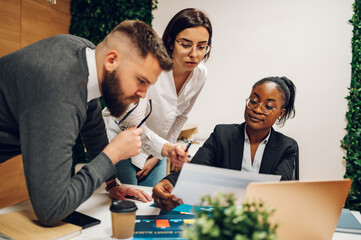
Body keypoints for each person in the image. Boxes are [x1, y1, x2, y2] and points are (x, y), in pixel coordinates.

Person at [0, 20, 175, 226]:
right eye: (140, 80)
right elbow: (51, 209)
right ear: (112, 60)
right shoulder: (58, 92)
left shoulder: (85, 54)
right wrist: (112, 155)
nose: (142, 95)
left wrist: (111, 183)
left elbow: (92, 122)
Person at [152, 76, 298, 211]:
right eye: (253, 101)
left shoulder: (287, 147)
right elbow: (196, 171)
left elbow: (279, 191)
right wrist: (169, 183)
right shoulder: (222, 135)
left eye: (268, 106)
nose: (258, 110)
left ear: (281, 113)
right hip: (223, 216)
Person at [103, 8, 213, 187]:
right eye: (185, 44)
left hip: (158, 148)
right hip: (124, 137)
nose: (194, 54)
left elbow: (181, 117)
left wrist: (157, 155)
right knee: (129, 200)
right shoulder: (151, 65)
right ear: (170, 42)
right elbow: (133, 123)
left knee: (155, 199)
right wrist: (165, 149)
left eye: (201, 47)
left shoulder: (200, 74)